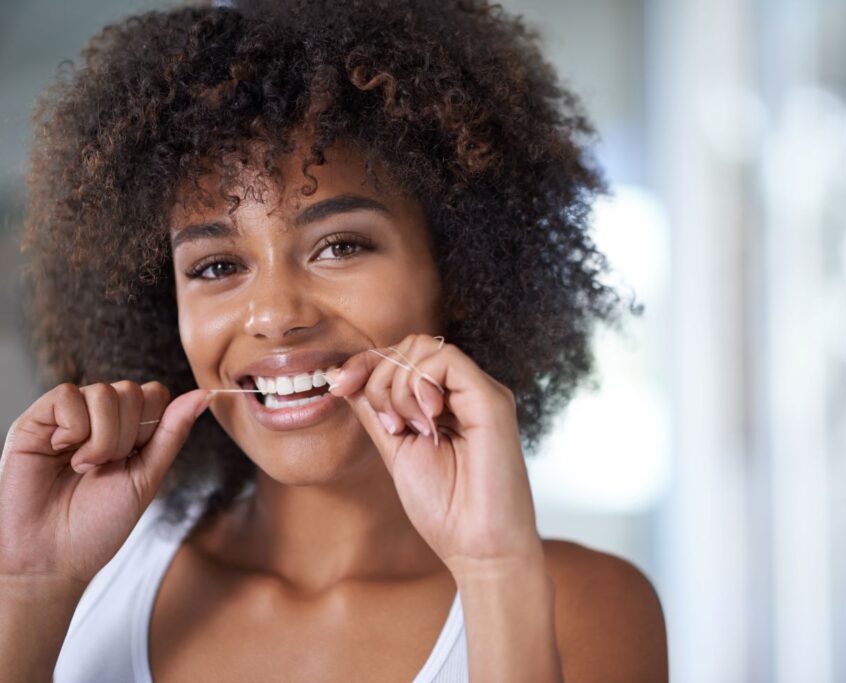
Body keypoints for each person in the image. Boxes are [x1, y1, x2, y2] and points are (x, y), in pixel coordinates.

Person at [0, 0, 668, 680]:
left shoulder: (582, 605)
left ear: (460, 271)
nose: (274, 314)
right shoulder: (85, 577)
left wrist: (494, 569)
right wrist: (29, 588)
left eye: (339, 245)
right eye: (217, 266)